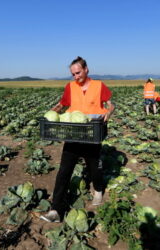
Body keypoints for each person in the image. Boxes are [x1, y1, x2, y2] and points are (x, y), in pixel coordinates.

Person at [40, 56, 114, 223]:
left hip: (92, 134)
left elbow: (111, 104)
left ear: (86, 69)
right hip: (73, 134)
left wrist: (108, 113)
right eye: (73, 74)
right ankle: (56, 210)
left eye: (78, 73)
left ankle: (98, 190)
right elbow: (61, 105)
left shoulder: (99, 85)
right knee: (64, 171)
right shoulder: (70, 87)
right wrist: (51, 112)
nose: (76, 77)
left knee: (94, 168)